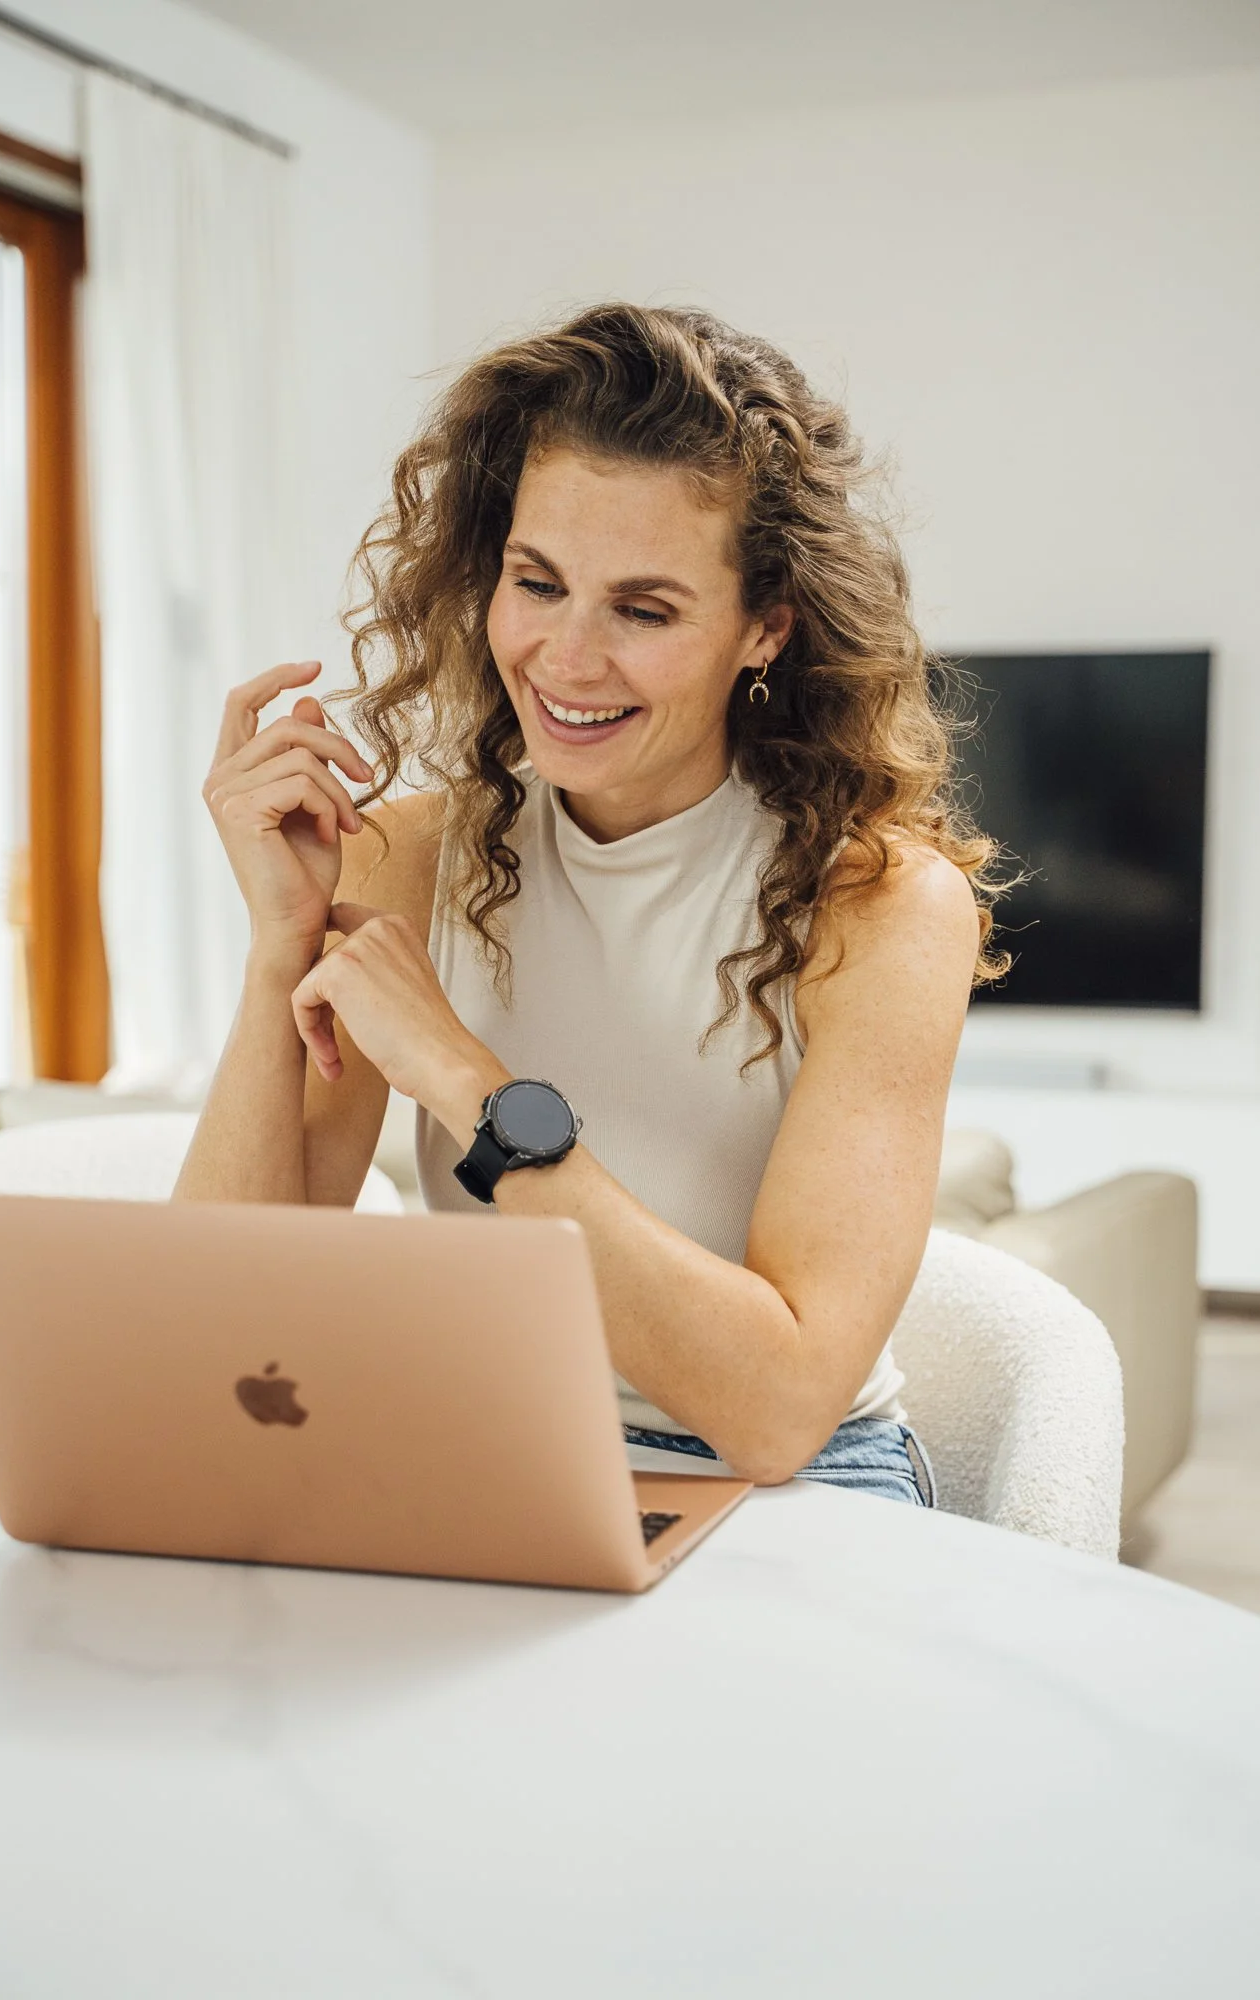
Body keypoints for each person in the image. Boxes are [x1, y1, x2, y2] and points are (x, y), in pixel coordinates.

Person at [176, 302, 1004, 1499]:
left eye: (644, 608)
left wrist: (470, 1084)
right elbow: (225, 1309)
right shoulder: (407, 857)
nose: (564, 658)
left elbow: (776, 1408)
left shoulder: (878, 906)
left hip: (781, 1481)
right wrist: (278, 949)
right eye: (537, 582)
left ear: (762, 626)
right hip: (483, 1436)